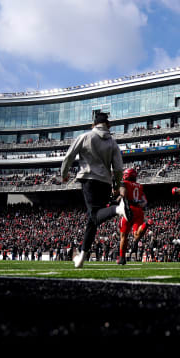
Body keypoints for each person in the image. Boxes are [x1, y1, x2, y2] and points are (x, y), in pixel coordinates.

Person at [61, 112, 131, 268]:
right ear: (108, 126)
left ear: (93, 125)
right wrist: (116, 185)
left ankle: (117, 209)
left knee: (94, 215)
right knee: (92, 222)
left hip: (89, 180)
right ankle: (81, 257)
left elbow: (69, 155)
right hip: (105, 183)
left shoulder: (85, 136)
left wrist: (64, 174)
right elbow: (118, 169)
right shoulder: (113, 143)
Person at [116, 168, 149, 265]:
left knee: (123, 236)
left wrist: (117, 200)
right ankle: (145, 225)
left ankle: (122, 258)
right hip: (138, 210)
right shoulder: (140, 186)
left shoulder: (124, 183)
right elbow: (145, 202)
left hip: (128, 208)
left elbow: (123, 194)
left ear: (126, 175)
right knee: (135, 234)